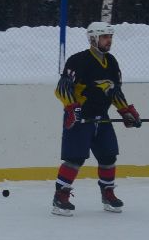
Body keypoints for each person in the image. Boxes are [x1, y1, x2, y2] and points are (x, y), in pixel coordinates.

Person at [52, 21, 141, 216]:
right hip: (79, 118)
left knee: (108, 156)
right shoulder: (78, 61)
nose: (109, 41)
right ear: (93, 39)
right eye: (104, 37)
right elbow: (62, 88)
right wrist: (71, 108)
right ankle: (60, 197)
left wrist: (126, 111)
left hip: (102, 119)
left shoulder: (112, 62)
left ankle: (108, 194)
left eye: (110, 37)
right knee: (74, 159)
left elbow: (114, 91)